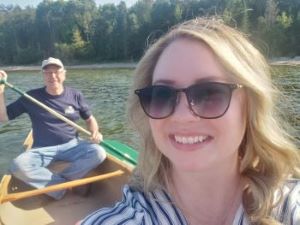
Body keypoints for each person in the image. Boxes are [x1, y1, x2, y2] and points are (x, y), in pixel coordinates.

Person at [78, 18, 300, 225]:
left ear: (251, 106)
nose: (182, 116)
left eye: (209, 93)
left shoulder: (289, 206)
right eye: (162, 95)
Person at [0, 57, 106, 200]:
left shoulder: (75, 95)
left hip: (72, 145)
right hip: (41, 149)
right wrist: (1, 91)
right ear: (43, 75)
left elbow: (89, 119)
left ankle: (60, 181)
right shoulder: (31, 97)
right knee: (18, 166)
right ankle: (63, 186)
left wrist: (95, 131)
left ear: (64, 74)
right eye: (48, 72)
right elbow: (3, 117)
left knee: (98, 153)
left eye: (56, 71)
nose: (53, 76)